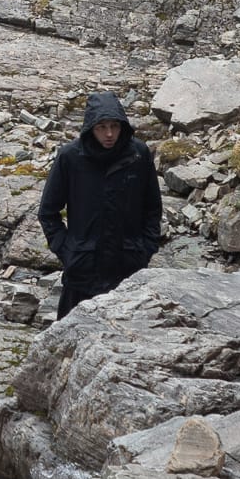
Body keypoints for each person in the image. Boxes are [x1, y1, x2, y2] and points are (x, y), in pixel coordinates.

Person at [39, 91, 162, 316]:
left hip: (127, 269)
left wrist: (144, 250)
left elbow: (152, 208)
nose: (109, 134)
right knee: (69, 344)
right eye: (101, 127)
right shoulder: (70, 157)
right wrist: (68, 252)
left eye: (114, 126)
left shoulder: (138, 155)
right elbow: (48, 212)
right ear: (90, 128)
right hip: (82, 272)